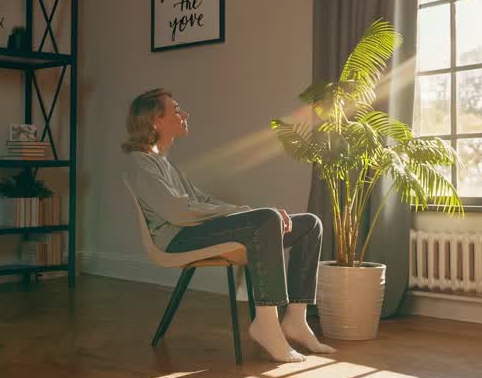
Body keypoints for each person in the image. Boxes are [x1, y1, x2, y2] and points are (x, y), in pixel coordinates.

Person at [122, 87, 335, 363]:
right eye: (176, 110)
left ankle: (296, 319)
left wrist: (246, 213)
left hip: (190, 231)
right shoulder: (140, 164)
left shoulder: (163, 162)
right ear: (156, 120)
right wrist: (252, 215)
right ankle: (266, 323)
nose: (185, 114)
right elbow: (178, 212)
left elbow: (201, 200)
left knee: (309, 224)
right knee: (267, 219)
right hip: (177, 239)